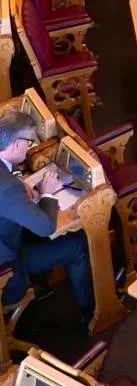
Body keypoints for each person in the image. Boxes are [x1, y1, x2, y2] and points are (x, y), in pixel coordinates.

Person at [0, 108, 93, 320]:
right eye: (28, 143)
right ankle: (89, 312)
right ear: (16, 144)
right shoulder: (6, 188)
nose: (29, 148)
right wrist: (47, 193)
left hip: (6, 239)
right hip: (7, 272)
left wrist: (19, 180)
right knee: (77, 243)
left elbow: (9, 172)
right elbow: (46, 228)